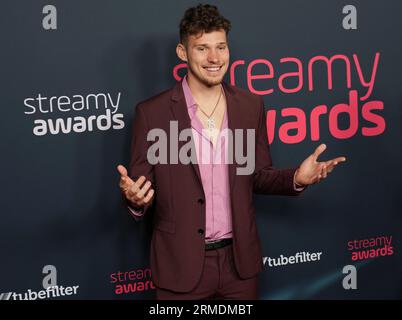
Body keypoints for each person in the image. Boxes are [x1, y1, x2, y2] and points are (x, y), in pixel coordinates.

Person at [117, 4, 346, 300]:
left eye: (221, 47)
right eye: (201, 48)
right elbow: (141, 190)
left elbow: (258, 176)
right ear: (182, 53)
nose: (214, 58)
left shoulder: (250, 107)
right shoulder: (153, 114)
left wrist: (297, 179)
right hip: (180, 266)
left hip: (239, 266)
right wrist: (135, 200)